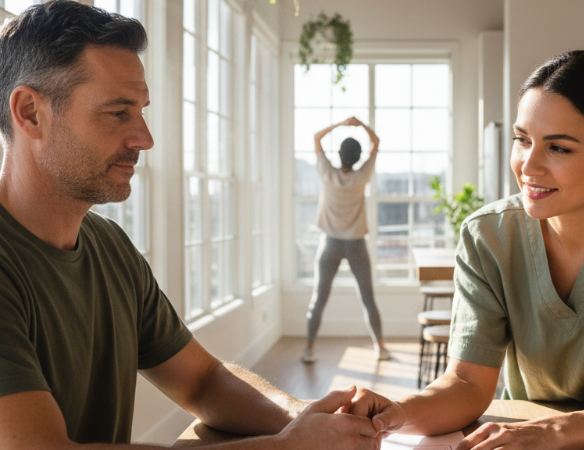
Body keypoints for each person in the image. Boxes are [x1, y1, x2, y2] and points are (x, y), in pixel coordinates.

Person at [0, 2, 381, 449]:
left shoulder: (110, 246)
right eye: (119, 112)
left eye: (141, 110)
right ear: (29, 113)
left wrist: (302, 417)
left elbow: (201, 380)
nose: (145, 137)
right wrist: (289, 446)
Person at [349, 50, 584, 449]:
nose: (528, 166)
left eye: (559, 148)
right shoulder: (488, 236)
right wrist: (394, 414)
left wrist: (552, 431)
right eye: (522, 140)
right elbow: (466, 382)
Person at [303, 117, 390, 363]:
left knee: (318, 298)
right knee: (368, 297)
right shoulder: (361, 176)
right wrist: (361, 124)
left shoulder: (327, 173)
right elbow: (377, 142)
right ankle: (380, 347)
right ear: (358, 156)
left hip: (329, 243)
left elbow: (316, 138)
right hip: (356, 245)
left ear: (339, 155)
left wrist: (340, 124)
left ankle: (309, 348)